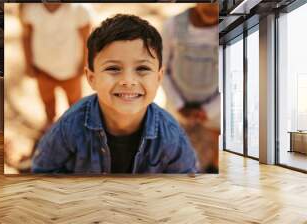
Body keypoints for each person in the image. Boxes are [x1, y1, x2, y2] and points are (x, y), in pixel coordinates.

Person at [31, 14, 197, 174]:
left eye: (142, 68)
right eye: (113, 69)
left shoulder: (171, 135)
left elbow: (186, 183)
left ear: (158, 77)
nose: (128, 81)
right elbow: (43, 171)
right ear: (91, 78)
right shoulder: (69, 126)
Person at [162, 3, 219, 173]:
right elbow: (161, 70)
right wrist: (178, 105)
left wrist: (209, 111)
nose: (213, 7)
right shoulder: (172, 26)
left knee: (212, 164)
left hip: (216, 113)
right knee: (177, 161)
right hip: (178, 111)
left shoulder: (233, 27)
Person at [20, 3, 91, 131]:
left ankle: (75, 125)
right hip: (42, 69)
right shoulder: (30, 8)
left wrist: (85, 63)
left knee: (75, 101)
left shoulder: (79, 9)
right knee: (47, 99)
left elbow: (87, 38)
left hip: (71, 70)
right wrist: (28, 63)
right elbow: (26, 35)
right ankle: (50, 120)